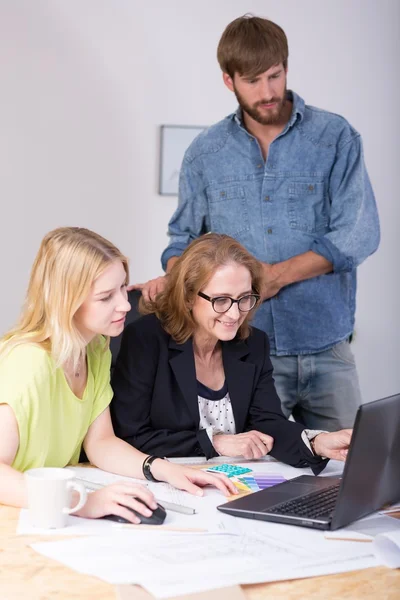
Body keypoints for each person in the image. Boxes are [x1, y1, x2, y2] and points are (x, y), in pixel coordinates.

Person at [132, 15, 380, 432]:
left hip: (327, 346)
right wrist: (177, 280)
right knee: (256, 473)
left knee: (347, 470)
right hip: (244, 352)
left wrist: (273, 277)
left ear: (286, 67)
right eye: (252, 80)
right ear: (229, 81)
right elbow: (183, 241)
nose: (267, 92)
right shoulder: (204, 152)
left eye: (275, 75)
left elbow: (358, 234)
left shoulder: (335, 137)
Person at [0, 227, 236, 523]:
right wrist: (81, 502)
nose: (126, 304)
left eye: (123, 288)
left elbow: (100, 443)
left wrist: (165, 470)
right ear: (66, 301)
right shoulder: (28, 361)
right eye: (105, 297)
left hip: (45, 511)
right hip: (18, 514)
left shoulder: (95, 348)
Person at [112, 233, 352, 473]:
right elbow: (131, 435)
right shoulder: (145, 339)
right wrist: (215, 441)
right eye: (221, 300)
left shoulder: (254, 343)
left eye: (244, 298)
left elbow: (267, 425)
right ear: (187, 297)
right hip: (163, 479)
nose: (235, 314)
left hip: (227, 482)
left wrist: (317, 442)